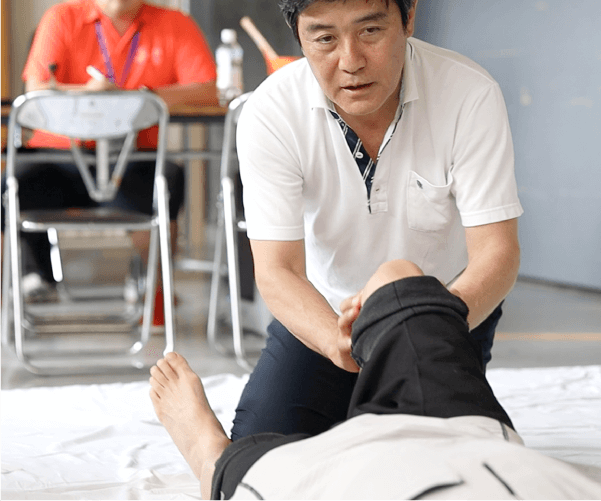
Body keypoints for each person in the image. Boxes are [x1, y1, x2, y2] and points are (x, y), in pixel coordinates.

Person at [231, 0, 524, 440]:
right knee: (264, 449)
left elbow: (497, 252)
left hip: (442, 314)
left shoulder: (469, 92)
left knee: (439, 456)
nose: (351, 61)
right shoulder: (271, 112)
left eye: (370, 31)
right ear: (300, 39)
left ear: (409, 18)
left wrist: (425, 327)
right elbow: (278, 270)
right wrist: (336, 341)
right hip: (327, 316)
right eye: (325, 38)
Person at [149, 260, 601, 500]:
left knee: (231, 462)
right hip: (481, 451)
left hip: (348, 483)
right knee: (401, 279)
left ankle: (208, 451)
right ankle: (386, 311)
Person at [0, 0, 218, 303]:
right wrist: (89, 94)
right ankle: (29, 275)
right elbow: (36, 90)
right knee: (10, 184)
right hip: (57, 156)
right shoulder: (62, 17)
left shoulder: (175, 24)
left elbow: (207, 91)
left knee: (167, 181)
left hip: (133, 157)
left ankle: (150, 286)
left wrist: (137, 97)